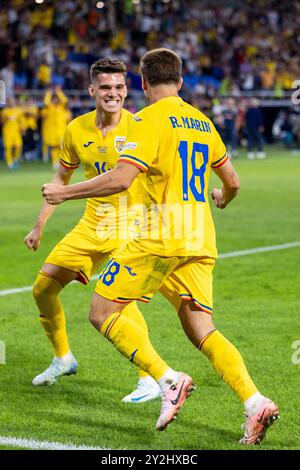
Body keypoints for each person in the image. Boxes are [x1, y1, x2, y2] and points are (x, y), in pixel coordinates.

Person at [42, 48, 279, 443]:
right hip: (200, 237)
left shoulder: (147, 119)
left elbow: (120, 179)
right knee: (201, 328)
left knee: (102, 311)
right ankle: (255, 402)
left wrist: (63, 194)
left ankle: (169, 380)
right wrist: (223, 197)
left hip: (159, 234)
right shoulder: (203, 121)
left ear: (143, 82)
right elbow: (233, 182)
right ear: (181, 81)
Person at [24, 58, 160, 403]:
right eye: (105, 88)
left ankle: (149, 377)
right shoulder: (76, 130)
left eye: (118, 87)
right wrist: (39, 225)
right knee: (42, 289)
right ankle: (63, 358)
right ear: (92, 90)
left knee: (120, 302)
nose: (112, 94)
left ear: (127, 90)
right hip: (91, 225)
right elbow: (60, 180)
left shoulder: (139, 127)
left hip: (130, 227)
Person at [40, 87, 71, 169]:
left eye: (57, 99)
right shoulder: (50, 107)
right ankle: (54, 161)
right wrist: (49, 93)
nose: (55, 101)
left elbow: (65, 100)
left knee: (62, 148)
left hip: (62, 131)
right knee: (54, 147)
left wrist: (59, 92)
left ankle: (62, 162)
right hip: (53, 131)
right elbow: (46, 103)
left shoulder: (62, 108)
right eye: (54, 99)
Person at [1, 96, 23, 169]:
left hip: (16, 132)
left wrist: (22, 129)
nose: (11, 103)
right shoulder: (4, 112)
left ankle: (15, 160)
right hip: (7, 132)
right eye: (10, 102)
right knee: (8, 148)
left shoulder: (18, 111)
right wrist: (6, 119)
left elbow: (20, 121)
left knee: (18, 145)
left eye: (12, 101)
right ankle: (9, 164)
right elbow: (1, 123)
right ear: (7, 103)